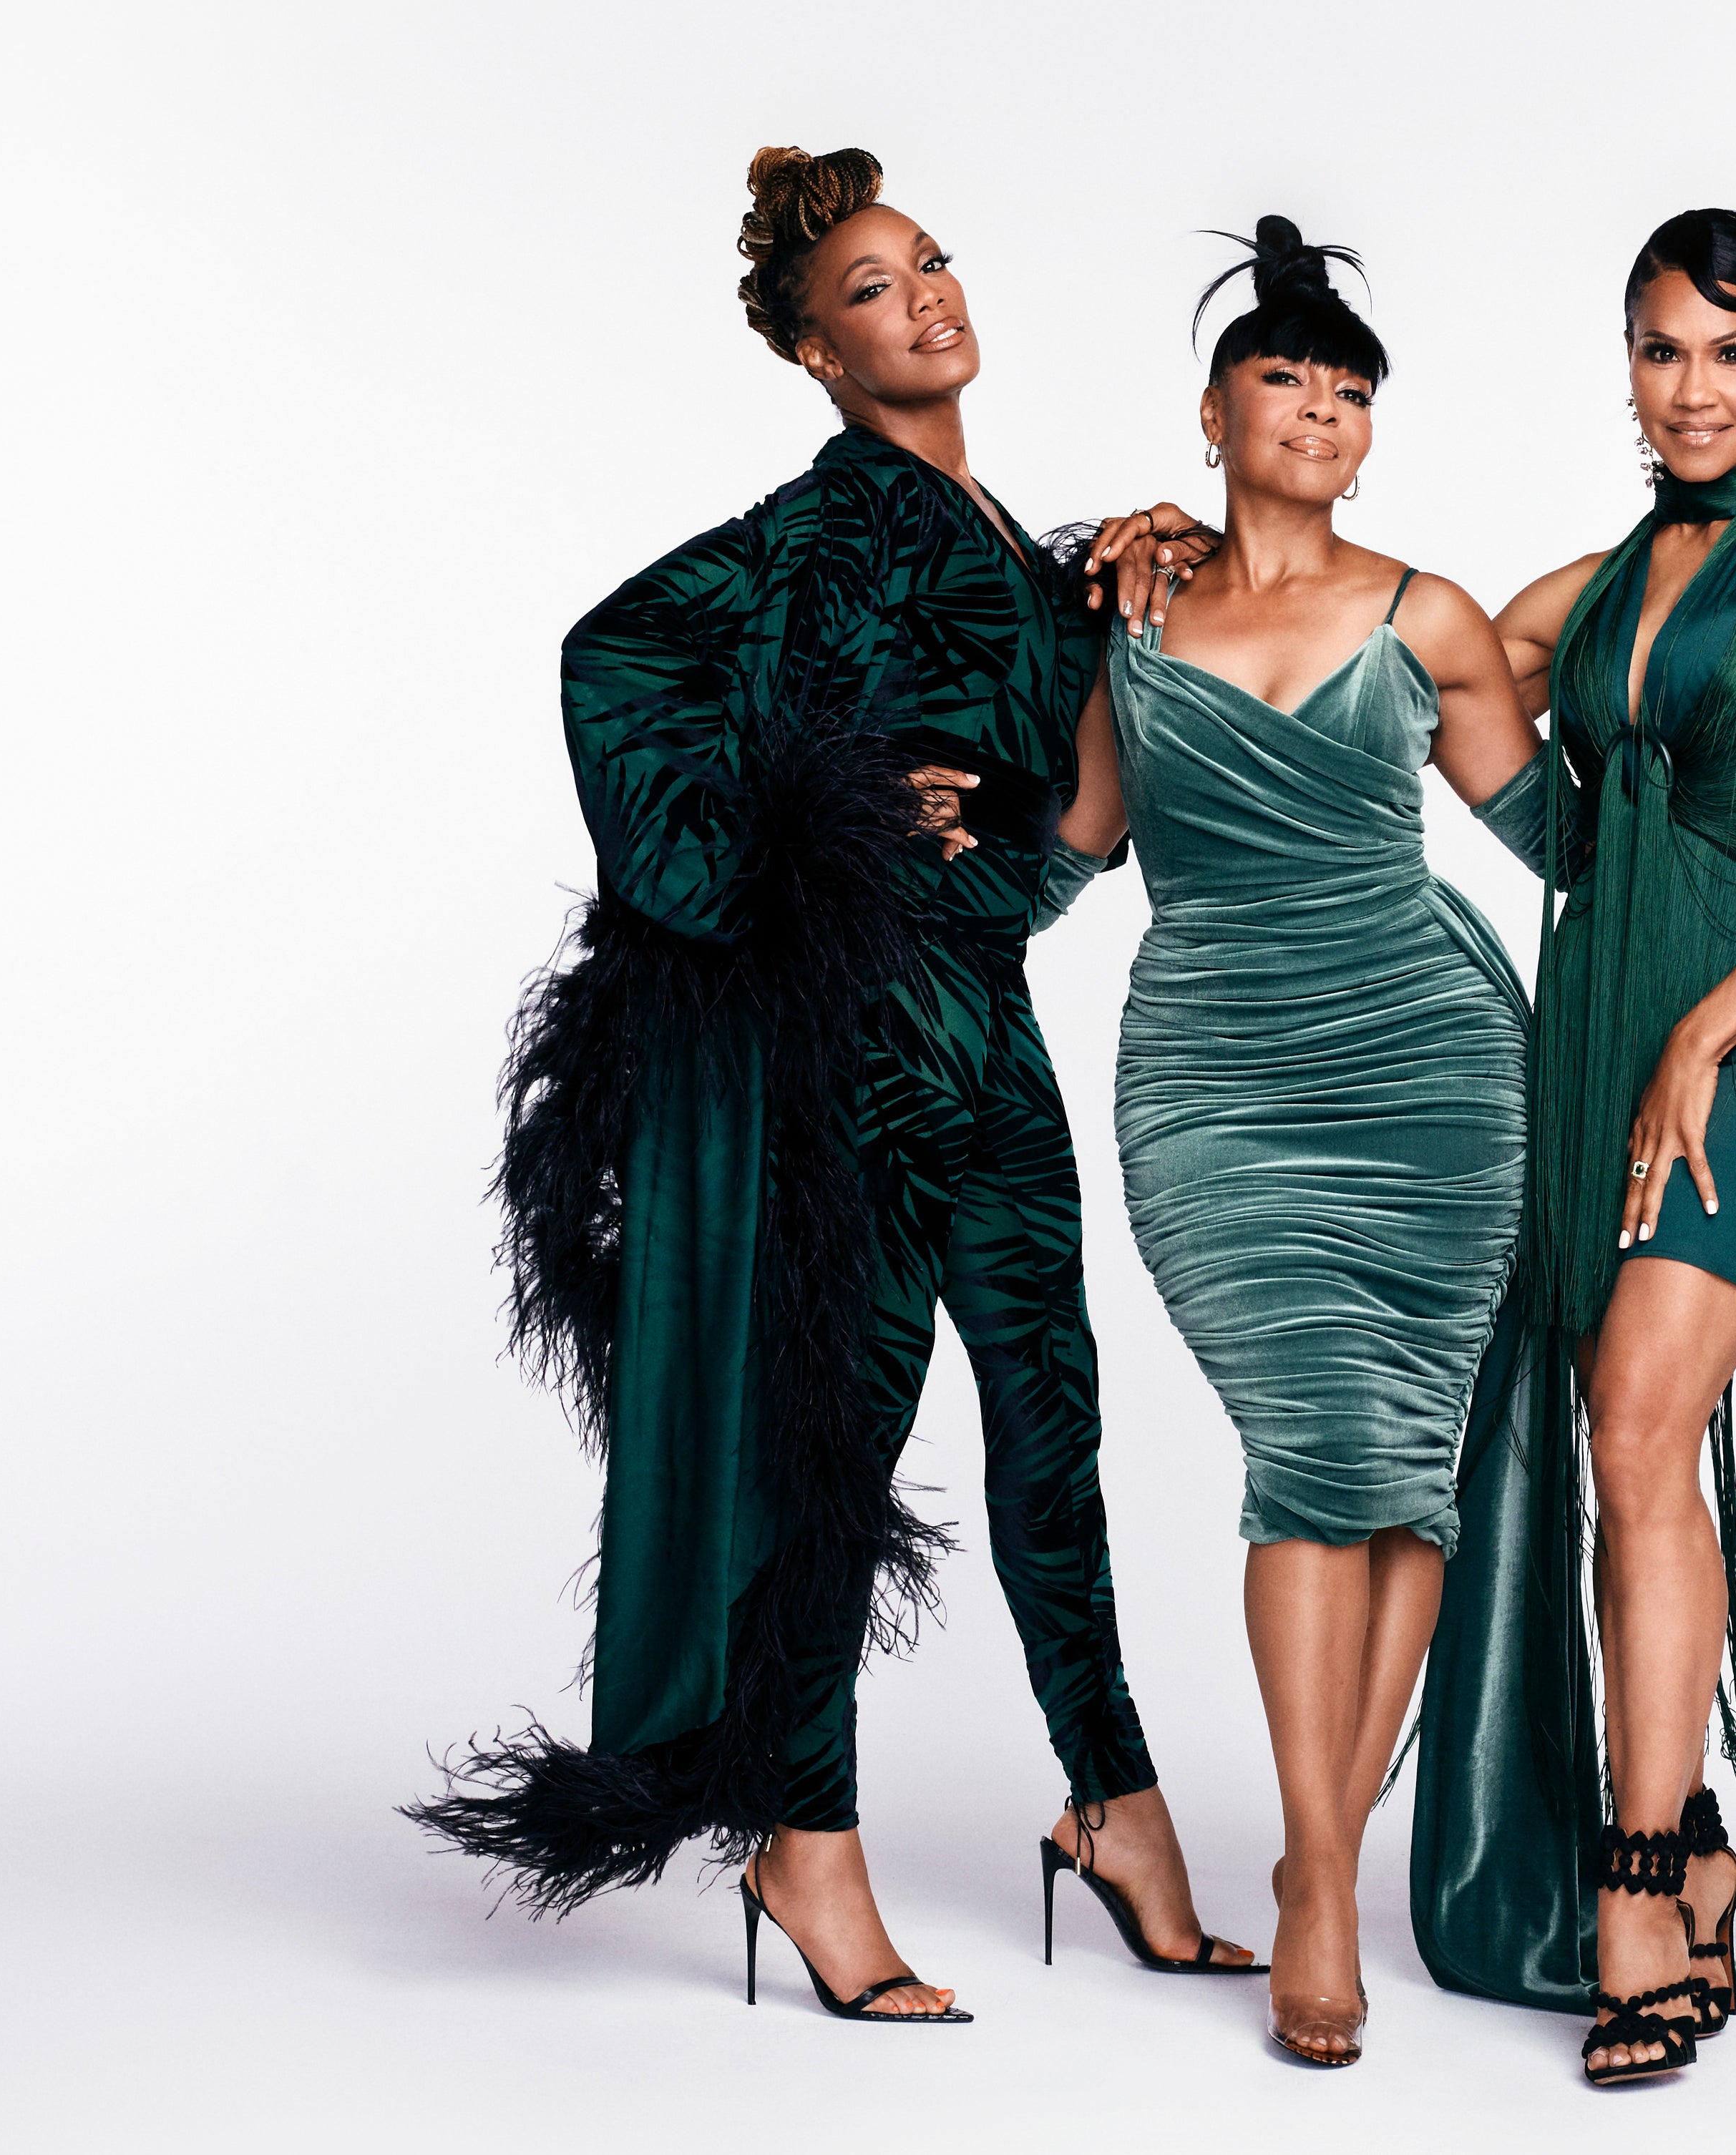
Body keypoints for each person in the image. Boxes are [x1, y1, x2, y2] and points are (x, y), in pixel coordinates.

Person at [404, 145, 1253, 2023]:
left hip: (991, 1034)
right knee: (837, 1456)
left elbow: (1083, 833)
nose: (926, 295)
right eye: (873, 286)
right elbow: (611, 652)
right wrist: (803, 832)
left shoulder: (1011, 544)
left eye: (934, 260)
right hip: (852, 1053)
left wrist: (1110, 615)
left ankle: (1113, 1800)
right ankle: (807, 1837)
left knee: (1056, 1427)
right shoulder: (822, 530)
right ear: (811, 350)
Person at [1410, 207, 1736, 2086]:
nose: (1694, 385)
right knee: (1619, 1445)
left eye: (1729, 350)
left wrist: (1706, 1032)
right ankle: (1690, 1845)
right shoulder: (1613, 584)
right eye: (1660, 349)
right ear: (1625, 368)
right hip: (1604, 1036)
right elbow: (1463, 656)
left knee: (1637, 1418)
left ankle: (1639, 1887)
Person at [1051, 218, 1546, 2064]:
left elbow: (1561, 843)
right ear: (1213, 410)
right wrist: (913, 831)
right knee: (1312, 1438)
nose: (1324, 413)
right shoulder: (1135, 614)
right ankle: (1325, 1858)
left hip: (1431, 1071)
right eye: (1290, 381)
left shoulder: (1429, 618)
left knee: (1399, 1464)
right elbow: (1069, 858)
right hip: (1216, 1078)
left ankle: (1319, 1870)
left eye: (1353, 395)